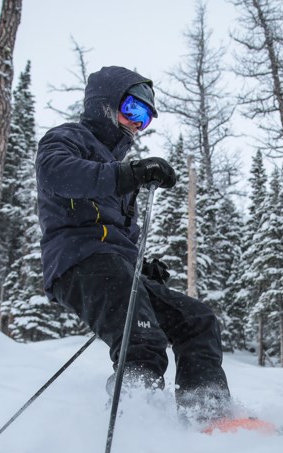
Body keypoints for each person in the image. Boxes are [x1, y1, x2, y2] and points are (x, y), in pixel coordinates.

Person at [35, 65, 232, 424]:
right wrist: (129, 175)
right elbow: (58, 174)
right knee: (142, 341)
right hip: (79, 261)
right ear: (104, 104)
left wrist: (141, 268)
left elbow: (118, 237)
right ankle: (134, 430)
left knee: (197, 321)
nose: (136, 125)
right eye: (133, 110)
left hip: (112, 265)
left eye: (145, 118)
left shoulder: (117, 168)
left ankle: (210, 418)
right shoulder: (66, 140)